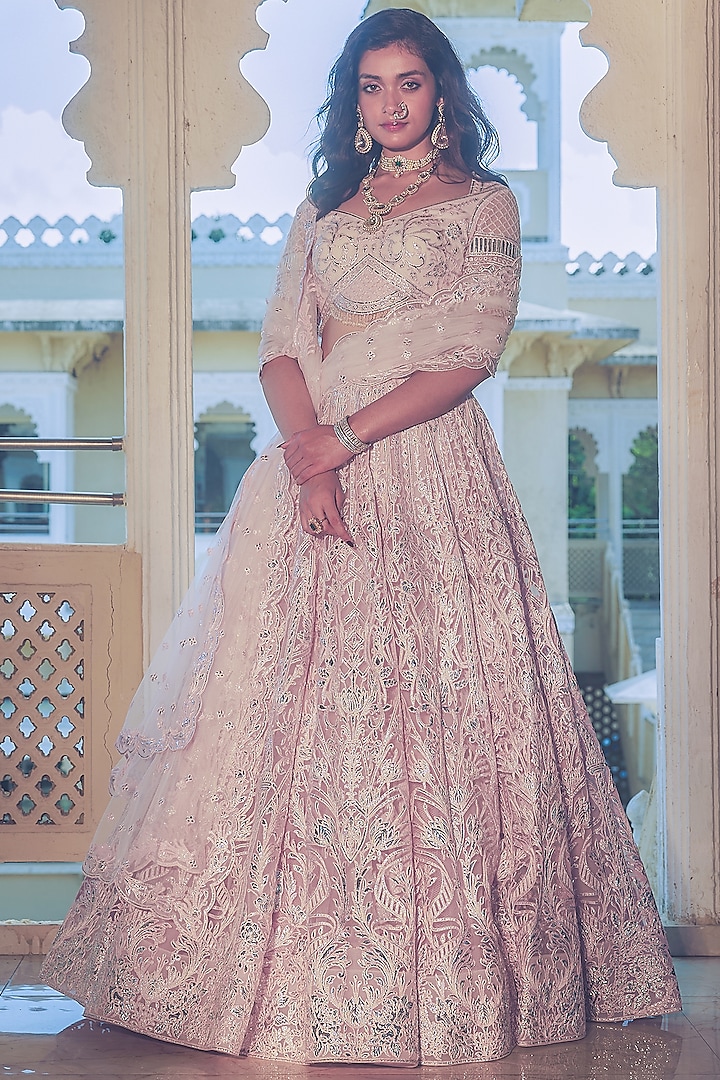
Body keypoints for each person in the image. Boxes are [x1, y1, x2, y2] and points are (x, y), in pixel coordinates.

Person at [41, 7, 681, 1066]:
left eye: (411, 84)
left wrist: (340, 443)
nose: (390, 105)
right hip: (305, 483)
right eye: (372, 87)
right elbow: (286, 343)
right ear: (352, 101)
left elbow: (472, 352)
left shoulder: (483, 205)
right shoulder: (324, 206)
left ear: (443, 93)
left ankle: (444, 975)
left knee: (437, 711)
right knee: (277, 720)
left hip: (429, 474)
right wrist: (305, 458)